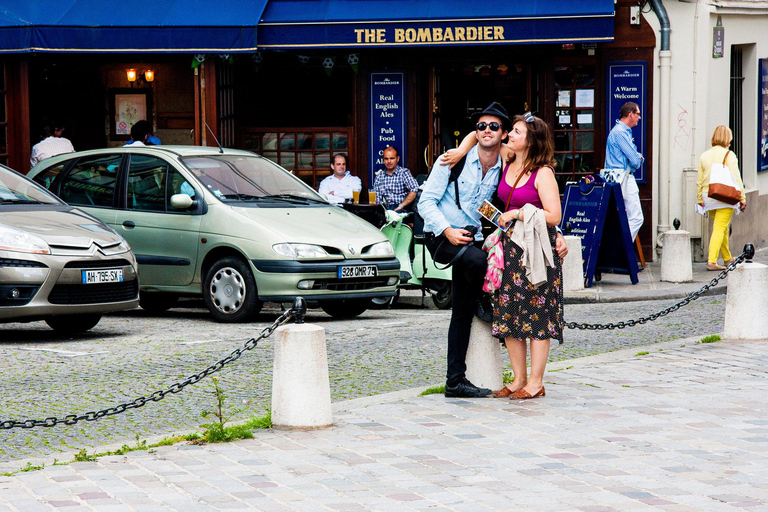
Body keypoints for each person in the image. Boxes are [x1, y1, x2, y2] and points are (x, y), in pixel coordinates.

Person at [441, 112, 567, 401]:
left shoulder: (543, 172)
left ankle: (536, 382)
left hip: (535, 251)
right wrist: (462, 150)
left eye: (516, 132)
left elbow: (554, 214)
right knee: (510, 315)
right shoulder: (509, 157)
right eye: (510, 131)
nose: (508, 135)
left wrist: (520, 213)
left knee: (537, 315)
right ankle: (519, 378)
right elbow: (482, 134)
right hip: (509, 249)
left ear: (531, 141)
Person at [418, 102, 511, 398]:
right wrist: (447, 229)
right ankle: (488, 301)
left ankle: (454, 381)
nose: (486, 131)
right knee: (479, 261)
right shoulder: (452, 161)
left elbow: (488, 209)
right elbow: (425, 203)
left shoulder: (503, 168)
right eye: (481, 126)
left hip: (471, 243)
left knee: (461, 312)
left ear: (503, 134)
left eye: (493, 127)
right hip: (443, 238)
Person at [697, 125, 747, 271]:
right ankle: (712, 261)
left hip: (709, 196)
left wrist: (700, 198)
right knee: (719, 228)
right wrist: (742, 197)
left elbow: (699, 180)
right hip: (725, 195)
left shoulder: (704, 155)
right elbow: (736, 178)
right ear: (727, 138)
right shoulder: (729, 155)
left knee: (722, 228)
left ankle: (727, 258)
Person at [604, 102, 644, 241]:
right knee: (636, 217)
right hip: (624, 179)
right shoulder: (621, 132)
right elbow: (635, 160)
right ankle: (622, 248)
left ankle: (620, 249)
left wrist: (637, 158)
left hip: (619, 178)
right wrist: (638, 159)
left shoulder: (622, 131)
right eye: (638, 114)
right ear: (630, 114)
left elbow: (635, 157)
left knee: (625, 217)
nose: (639, 117)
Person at [373, 146, 419, 211]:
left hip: (402, 208)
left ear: (397, 159)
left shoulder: (404, 173)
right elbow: (377, 199)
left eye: (392, 158)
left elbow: (415, 189)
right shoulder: (379, 177)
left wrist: (401, 206)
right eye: (386, 159)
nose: (389, 161)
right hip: (385, 208)